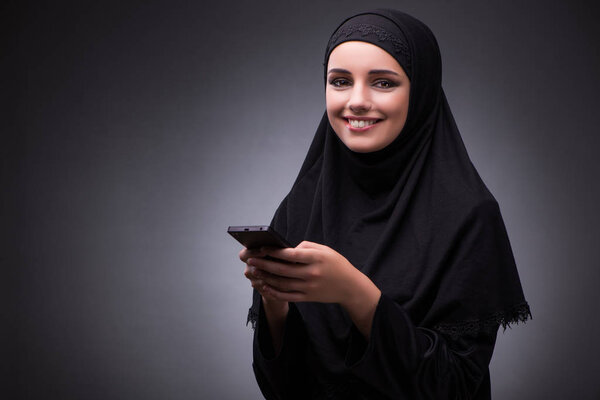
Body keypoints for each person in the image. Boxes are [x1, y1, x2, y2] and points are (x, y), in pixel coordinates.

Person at [239, 9, 531, 400]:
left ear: (420, 90)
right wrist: (276, 305)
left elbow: (456, 386)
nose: (357, 101)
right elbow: (283, 389)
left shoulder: (468, 216)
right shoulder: (302, 205)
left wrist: (355, 293)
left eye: (383, 82)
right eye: (340, 81)